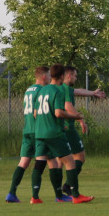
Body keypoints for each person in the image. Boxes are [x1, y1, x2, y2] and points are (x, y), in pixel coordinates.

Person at [33, 63, 92, 204]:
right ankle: (76, 196)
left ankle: (36, 197)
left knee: (45, 162)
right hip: (54, 133)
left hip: (39, 133)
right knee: (70, 161)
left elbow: (35, 114)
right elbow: (59, 113)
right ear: (62, 76)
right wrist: (76, 117)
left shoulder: (42, 90)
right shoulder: (57, 91)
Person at [6, 65, 49, 203]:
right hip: (38, 130)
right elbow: (39, 112)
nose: (50, 78)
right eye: (48, 75)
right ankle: (35, 196)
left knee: (23, 162)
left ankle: (11, 193)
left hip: (27, 129)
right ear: (44, 76)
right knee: (42, 160)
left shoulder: (28, 90)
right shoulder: (43, 90)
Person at [61, 66, 106, 198]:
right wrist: (80, 119)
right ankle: (69, 186)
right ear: (69, 75)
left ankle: (60, 192)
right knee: (79, 157)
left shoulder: (60, 88)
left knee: (58, 161)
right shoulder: (66, 89)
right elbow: (68, 106)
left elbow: (77, 91)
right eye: (75, 76)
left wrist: (92, 93)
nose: (76, 78)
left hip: (57, 127)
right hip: (68, 128)